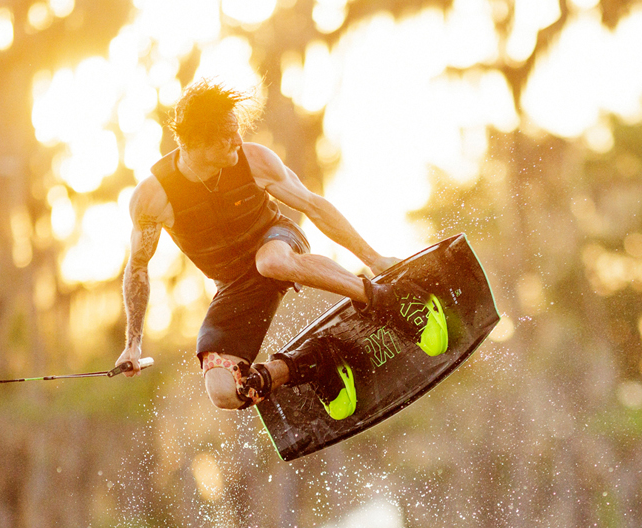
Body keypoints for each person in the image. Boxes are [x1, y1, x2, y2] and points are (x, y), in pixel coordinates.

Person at [114, 79, 445, 416]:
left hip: (278, 241)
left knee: (270, 263)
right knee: (224, 392)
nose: (238, 140)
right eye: (227, 135)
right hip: (234, 283)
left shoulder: (254, 160)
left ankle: (390, 301)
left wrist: (373, 259)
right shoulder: (153, 198)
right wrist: (132, 344)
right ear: (197, 141)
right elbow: (138, 268)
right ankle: (314, 361)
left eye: (237, 130)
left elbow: (313, 206)